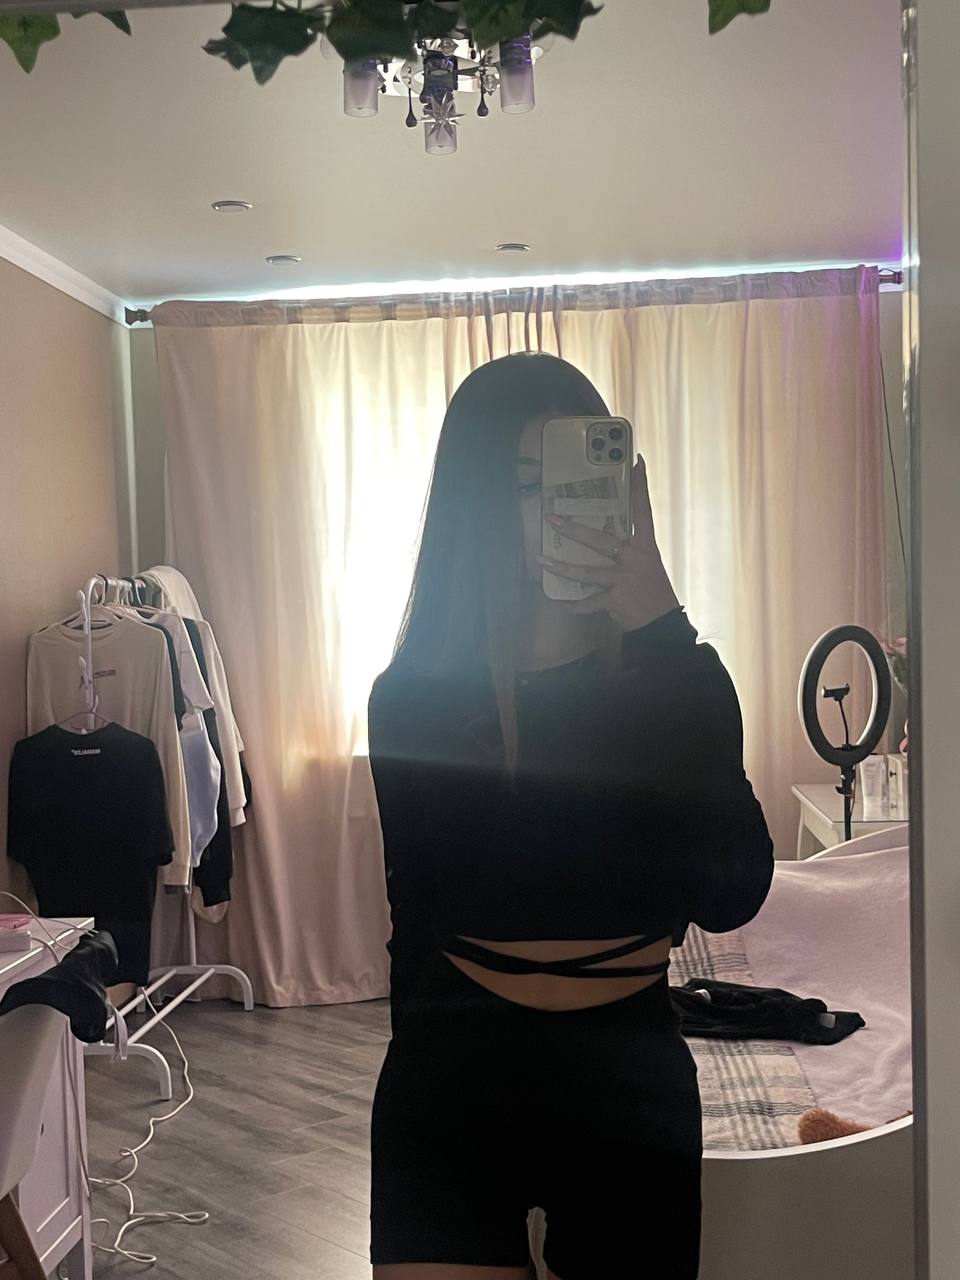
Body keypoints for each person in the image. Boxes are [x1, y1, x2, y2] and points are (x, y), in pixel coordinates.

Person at [367, 352, 774, 1280]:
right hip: (455, 1070)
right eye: (527, 485)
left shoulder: (675, 679)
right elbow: (414, 921)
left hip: (627, 1077)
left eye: (578, 481)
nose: (558, 510)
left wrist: (663, 632)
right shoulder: (414, 697)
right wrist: (414, 1093)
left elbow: (733, 893)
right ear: (474, 505)